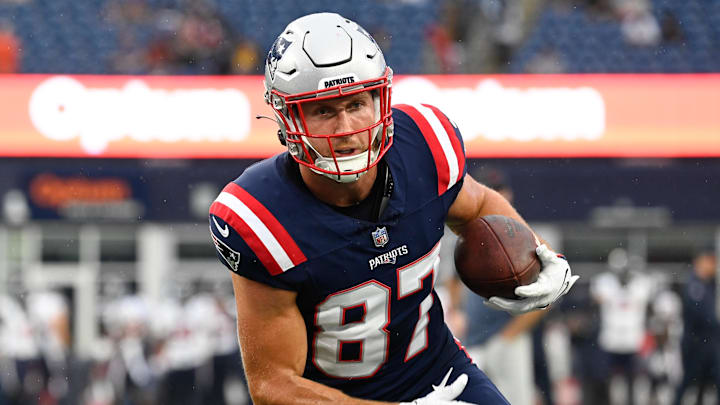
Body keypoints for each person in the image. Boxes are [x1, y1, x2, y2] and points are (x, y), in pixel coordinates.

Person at [208, 12, 578, 405]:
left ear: (381, 99)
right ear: (288, 119)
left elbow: (479, 205)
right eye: (324, 110)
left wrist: (536, 253)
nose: (346, 128)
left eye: (356, 104)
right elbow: (274, 386)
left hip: (438, 375)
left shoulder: (422, 147)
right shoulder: (262, 217)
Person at [443, 167, 548, 405]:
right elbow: (452, 278)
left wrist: (509, 336)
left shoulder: (523, 236)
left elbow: (546, 301)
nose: (498, 196)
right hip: (473, 337)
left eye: (500, 190)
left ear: (508, 193)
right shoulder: (466, 235)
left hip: (508, 337)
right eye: (492, 191)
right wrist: (457, 312)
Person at [672, 250, 720, 405]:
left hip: (710, 343)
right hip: (695, 344)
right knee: (688, 381)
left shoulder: (710, 284)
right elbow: (705, 316)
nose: (714, 265)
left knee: (706, 383)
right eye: (711, 261)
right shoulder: (694, 285)